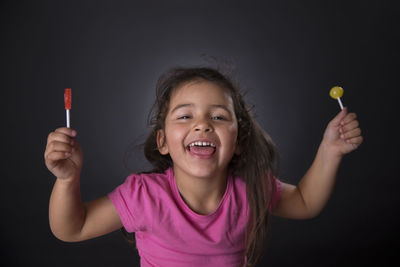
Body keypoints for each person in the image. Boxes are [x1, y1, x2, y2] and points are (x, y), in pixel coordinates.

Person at [45, 67, 363, 267]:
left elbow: (306, 202)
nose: (202, 126)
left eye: (219, 117)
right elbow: (71, 228)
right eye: (185, 116)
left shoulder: (252, 187)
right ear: (163, 141)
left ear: (238, 140)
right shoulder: (144, 195)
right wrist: (67, 179)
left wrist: (330, 150)